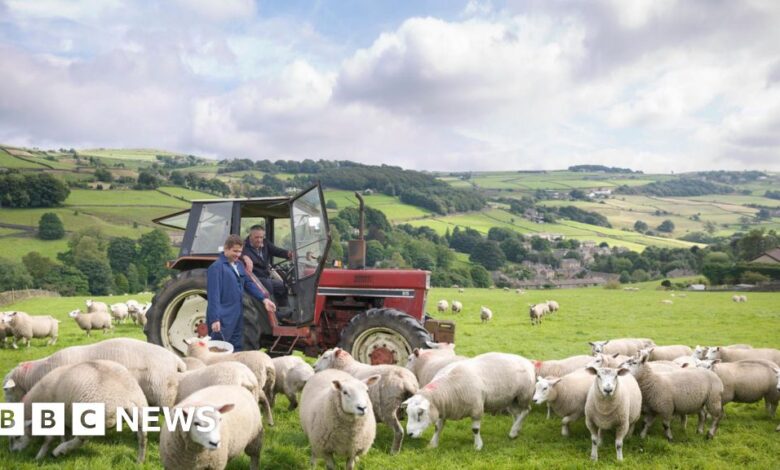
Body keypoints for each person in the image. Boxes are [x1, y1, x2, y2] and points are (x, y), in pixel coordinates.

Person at [207, 234, 276, 352]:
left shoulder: (239, 265)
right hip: (223, 317)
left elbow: (248, 284)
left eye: (240, 252)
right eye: (235, 251)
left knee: (236, 348)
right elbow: (214, 296)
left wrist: (264, 299)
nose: (238, 255)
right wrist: (215, 319)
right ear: (226, 249)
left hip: (238, 315)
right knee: (219, 350)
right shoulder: (216, 268)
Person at [242, 225, 292, 306]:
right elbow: (237, 254)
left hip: (266, 276)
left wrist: (288, 254)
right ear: (250, 236)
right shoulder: (243, 247)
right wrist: (244, 257)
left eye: (261, 237)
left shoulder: (265, 243)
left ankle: (283, 308)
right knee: (268, 285)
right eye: (256, 237)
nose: (259, 240)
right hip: (254, 277)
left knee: (282, 286)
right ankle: (273, 313)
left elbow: (276, 251)